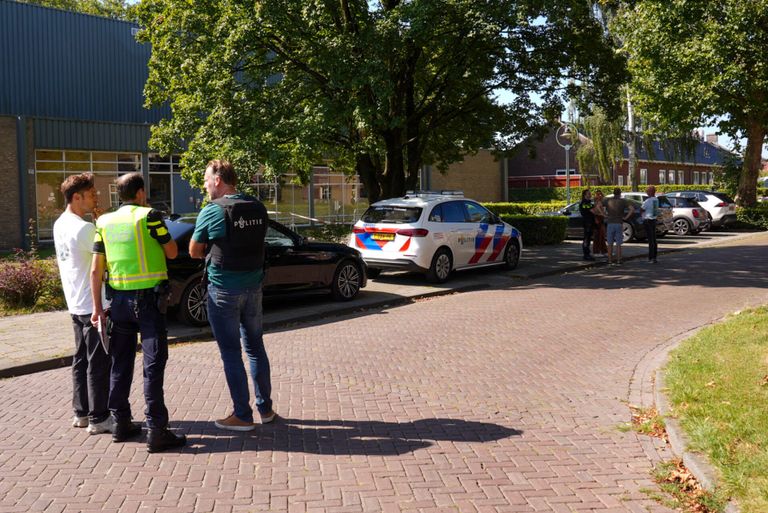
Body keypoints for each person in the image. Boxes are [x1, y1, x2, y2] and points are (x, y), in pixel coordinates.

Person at [90, 172, 186, 453]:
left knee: (121, 362)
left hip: (118, 303)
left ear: (119, 195)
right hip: (149, 302)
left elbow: (96, 269)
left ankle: (121, 423)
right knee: (153, 364)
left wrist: (98, 309)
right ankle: (156, 429)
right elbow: (170, 252)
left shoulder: (104, 222)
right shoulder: (149, 217)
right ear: (141, 192)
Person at [189, 159, 276, 432]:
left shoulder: (211, 211)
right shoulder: (257, 207)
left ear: (218, 180)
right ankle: (266, 408)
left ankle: (242, 415)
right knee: (255, 347)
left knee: (230, 352)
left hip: (224, 290)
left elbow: (193, 250)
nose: (204, 185)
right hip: (254, 288)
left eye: (206, 179)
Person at [53, 173, 113, 435]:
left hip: (75, 302)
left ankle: (81, 413)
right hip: (93, 304)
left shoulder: (59, 224)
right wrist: (101, 224)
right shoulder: (85, 228)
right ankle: (99, 417)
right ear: (76, 197)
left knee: (80, 360)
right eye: (91, 195)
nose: (95, 198)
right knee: (98, 362)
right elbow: (106, 257)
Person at [603, 187, 634, 265]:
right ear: (620, 194)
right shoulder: (623, 201)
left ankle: (610, 261)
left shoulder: (608, 200)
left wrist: (604, 214)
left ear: (613, 193)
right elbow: (632, 209)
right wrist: (626, 217)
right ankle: (619, 260)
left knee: (609, 243)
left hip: (610, 223)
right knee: (618, 243)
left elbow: (598, 205)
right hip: (619, 223)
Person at [641, 185, 659, 263]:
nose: (646, 192)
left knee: (650, 240)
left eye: (647, 191)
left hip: (648, 220)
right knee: (654, 239)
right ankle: (654, 257)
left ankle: (651, 258)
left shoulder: (648, 201)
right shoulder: (656, 199)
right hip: (654, 220)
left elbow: (642, 209)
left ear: (651, 192)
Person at [578, 189, 596, 261]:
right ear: (585, 195)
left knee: (588, 239)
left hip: (590, 223)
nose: (590, 194)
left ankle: (587, 253)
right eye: (588, 193)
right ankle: (586, 255)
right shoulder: (585, 203)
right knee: (586, 239)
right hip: (587, 223)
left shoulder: (589, 202)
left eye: (590, 193)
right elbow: (593, 211)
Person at [592, 190, 608, 258]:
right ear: (595, 196)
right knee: (597, 236)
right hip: (597, 220)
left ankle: (604, 251)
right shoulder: (595, 203)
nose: (600, 196)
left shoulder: (601, 202)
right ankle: (596, 252)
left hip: (601, 220)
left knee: (602, 236)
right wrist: (603, 214)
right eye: (598, 194)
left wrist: (604, 214)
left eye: (601, 194)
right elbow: (595, 211)